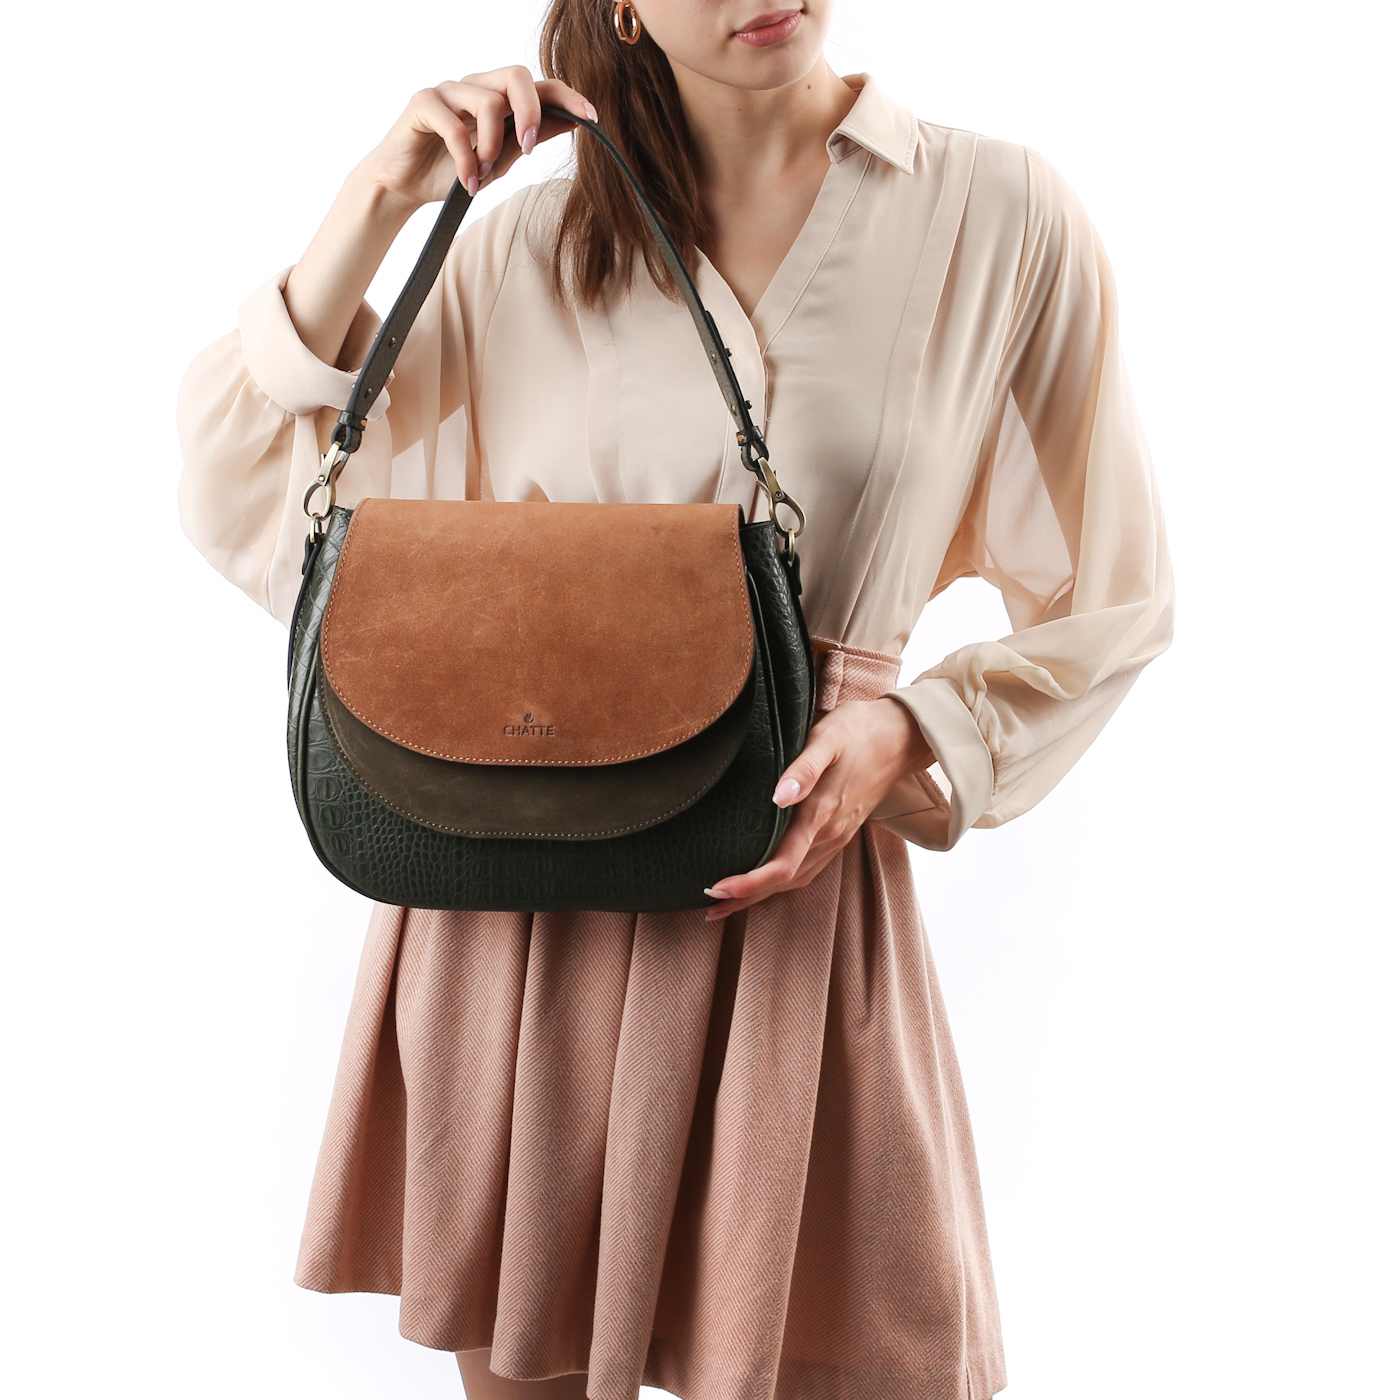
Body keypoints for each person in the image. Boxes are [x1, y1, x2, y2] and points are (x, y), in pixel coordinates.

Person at [177, 2, 1173, 1397]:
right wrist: (380, 196)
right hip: (518, 902)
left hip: (788, 877)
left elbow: (1117, 593)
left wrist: (915, 726)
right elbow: (250, 486)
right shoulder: (526, 240)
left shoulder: (998, 211)